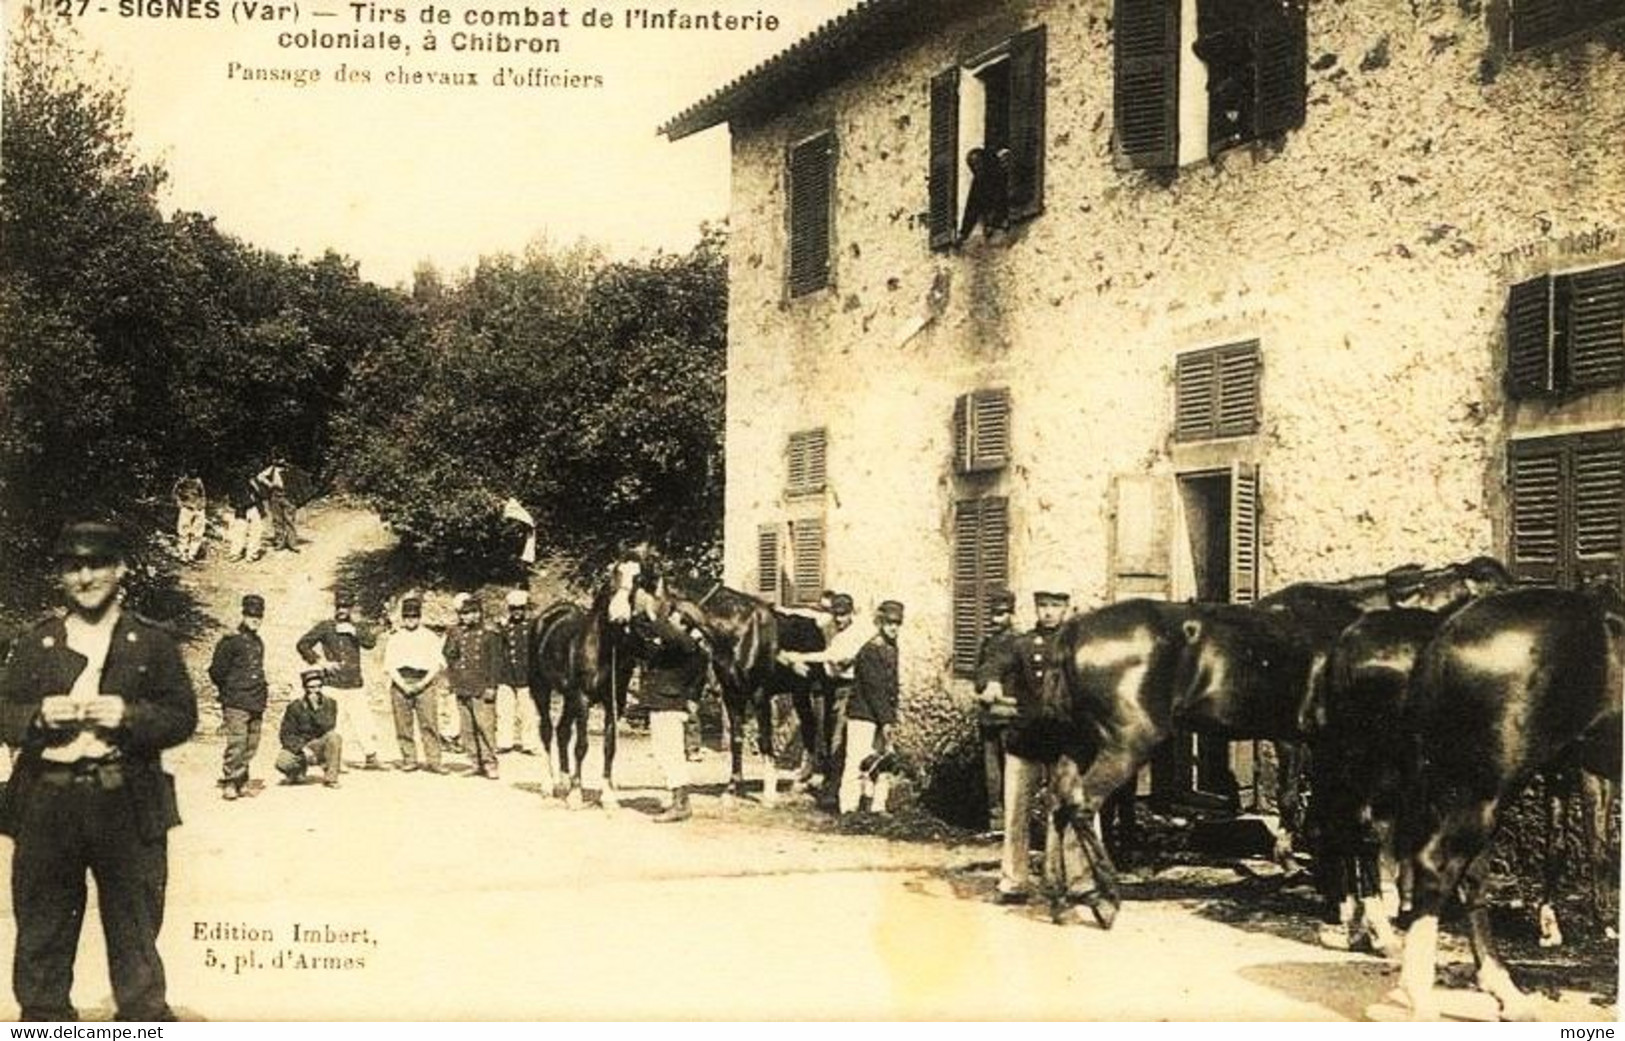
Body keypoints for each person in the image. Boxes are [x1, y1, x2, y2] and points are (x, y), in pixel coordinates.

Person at [0, 521, 198, 1021]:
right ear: (61, 577)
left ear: (121, 569)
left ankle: (141, 1022)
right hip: (48, 800)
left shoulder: (150, 642)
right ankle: (44, 1024)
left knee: (135, 929)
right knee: (42, 929)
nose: (85, 576)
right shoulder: (38, 641)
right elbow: (4, 709)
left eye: (97, 564)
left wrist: (129, 717)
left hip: (126, 800)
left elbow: (181, 715)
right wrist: (38, 717)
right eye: (73, 566)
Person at [996, 587, 1085, 905]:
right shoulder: (1021, 644)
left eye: (1055, 606)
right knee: (1016, 813)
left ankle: (1078, 881)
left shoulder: (1079, 645)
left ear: (1066, 608)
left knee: (1075, 811)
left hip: (1064, 741)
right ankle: (1013, 881)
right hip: (1026, 740)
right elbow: (993, 663)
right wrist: (991, 681)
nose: (1048, 612)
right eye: (1043, 606)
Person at [779, 592, 872, 798]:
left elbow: (830, 656)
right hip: (831, 683)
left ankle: (834, 787)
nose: (839, 620)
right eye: (836, 615)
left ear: (851, 613)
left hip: (849, 686)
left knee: (838, 735)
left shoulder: (855, 634)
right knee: (827, 730)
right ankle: (826, 776)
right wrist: (779, 609)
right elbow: (805, 614)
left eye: (843, 615)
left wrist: (797, 657)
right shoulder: (829, 622)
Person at [630, 599, 710, 822]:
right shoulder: (674, 645)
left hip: (670, 704)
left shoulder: (687, 645)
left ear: (685, 624)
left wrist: (652, 612)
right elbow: (643, 642)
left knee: (671, 753)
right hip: (663, 703)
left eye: (674, 617)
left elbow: (667, 633)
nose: (670, 620)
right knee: (664, 752)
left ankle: (681, 804)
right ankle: (678, 800)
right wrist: (639, 617)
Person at [296, 589, 385, 771]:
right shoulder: (326, 626)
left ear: (351, 608)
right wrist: (321, 662)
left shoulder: (357, 627)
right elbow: (303, 644)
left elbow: (370, 643)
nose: (342, 610)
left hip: (354, 683)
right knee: (334, 723)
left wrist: (353, 631)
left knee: (363, 721)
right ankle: (335, 759)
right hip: (333, 683)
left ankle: (371, 756)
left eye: (346, 606)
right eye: (339, 606)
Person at [839, 600, 904, 816]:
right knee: (857, 761)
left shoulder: (891, 648)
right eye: (889, 623)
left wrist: (890, 718)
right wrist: (886, 721)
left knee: (883, 761)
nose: (894, 627)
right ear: (880, 623)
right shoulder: (870, 651)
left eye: (897, 623)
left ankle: (877, 806)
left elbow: (891, 688)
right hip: (863, 714)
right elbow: (874, 689)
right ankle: (848, 808)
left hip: (882, 714)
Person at [209, 593, 268, 800]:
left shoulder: (258, 642)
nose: (255, 619)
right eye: (251, 615)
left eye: (258, 616)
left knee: (252, 743)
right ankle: (230, 782)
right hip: (236, 700)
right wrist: (229, 692)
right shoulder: (231, 641)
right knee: (237, 742)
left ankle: (241, 780)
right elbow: (216, 671)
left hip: (256, 700)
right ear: (243, 615)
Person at [383, 592, 446, 774]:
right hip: (400, 682)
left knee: (429, 723)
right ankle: (409, 759)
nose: (411, 619)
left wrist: (423, 683)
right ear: (402, 618)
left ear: (420, 617)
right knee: (403, 724)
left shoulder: (430, 637)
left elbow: (437, 664)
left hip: (424, 682)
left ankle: (434, 761)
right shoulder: (395, 638)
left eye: (414, 616)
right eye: (407, 616)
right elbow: (389, 665)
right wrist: (402, 684)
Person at [973, 588, 1019, 835]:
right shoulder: (988, 643)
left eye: (1001, 614)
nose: (995, 620)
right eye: (993, 614)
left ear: (1011, 614)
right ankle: (996, 821)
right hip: (989, 714)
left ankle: (1013, 822)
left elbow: (1004, 670)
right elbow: (979, 673)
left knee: (1012, 770)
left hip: (1009, 716)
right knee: (992, 772)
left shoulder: (1018, 642)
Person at [443, 593, 503, 779]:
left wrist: (492, 686)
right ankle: (475, 762)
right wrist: (452, 636)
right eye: (462, 614)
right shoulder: (458, 633)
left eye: (468, 614)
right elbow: (448, 655)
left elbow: (495, 663)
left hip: (481, 686)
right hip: (462, 685)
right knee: (467, 728)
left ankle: (490, 763)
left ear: (478, 614)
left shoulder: (489, 634)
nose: (464, 617)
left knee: (485, 726)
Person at [276, 668, 342, 787]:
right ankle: (297, 772)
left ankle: (331, 778)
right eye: (311, 687)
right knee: (283, 762)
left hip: (318, 744)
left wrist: (316, 709)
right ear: (305, 688)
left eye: (319, 686)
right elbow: (285, 734)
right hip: (301, 745)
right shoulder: (295, 706)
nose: (315, 691)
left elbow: (328, 726)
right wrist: (302, 748)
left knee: (334, 737)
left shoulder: (330, 703)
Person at [495, 590, 541, 756]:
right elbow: (498, 649)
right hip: (506, 674)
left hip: (526, 675)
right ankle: (504, 742)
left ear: (525, 609)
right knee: (504, 711)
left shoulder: (532, 627)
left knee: (528, 712)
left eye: (520, 608)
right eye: (513, 608)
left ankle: (529, 743)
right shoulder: (503, 628)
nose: (517, 612)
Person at [255, 454, 299, 553]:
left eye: (281, 458)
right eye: (278, 459)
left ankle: (292, 543)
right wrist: (270, 484)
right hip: (275, 496)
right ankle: (280, 542)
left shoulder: (291, 469)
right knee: (277, 520)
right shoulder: (272, 469)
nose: (280, 460)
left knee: (290, 520)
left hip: (289, 496)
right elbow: (259, 477)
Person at [225, 472, 265, 563]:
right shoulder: (244, 483)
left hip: (247, 508)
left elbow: (262, 495)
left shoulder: (237, 483)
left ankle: (240, 553)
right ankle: (247, 554)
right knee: (250, 531)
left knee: (245, 531)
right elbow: (262, 495)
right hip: (246, 509)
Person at [170, 475, 207, 562]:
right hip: (186, 508)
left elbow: (202, 495)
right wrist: (180, 503)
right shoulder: (182, 480)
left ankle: (192, 554)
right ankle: (182, 553)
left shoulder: (198, 481)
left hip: (198, 508)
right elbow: (174, 493)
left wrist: (202, 505)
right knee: (183, 531)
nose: (193, 471)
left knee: (198, 532)